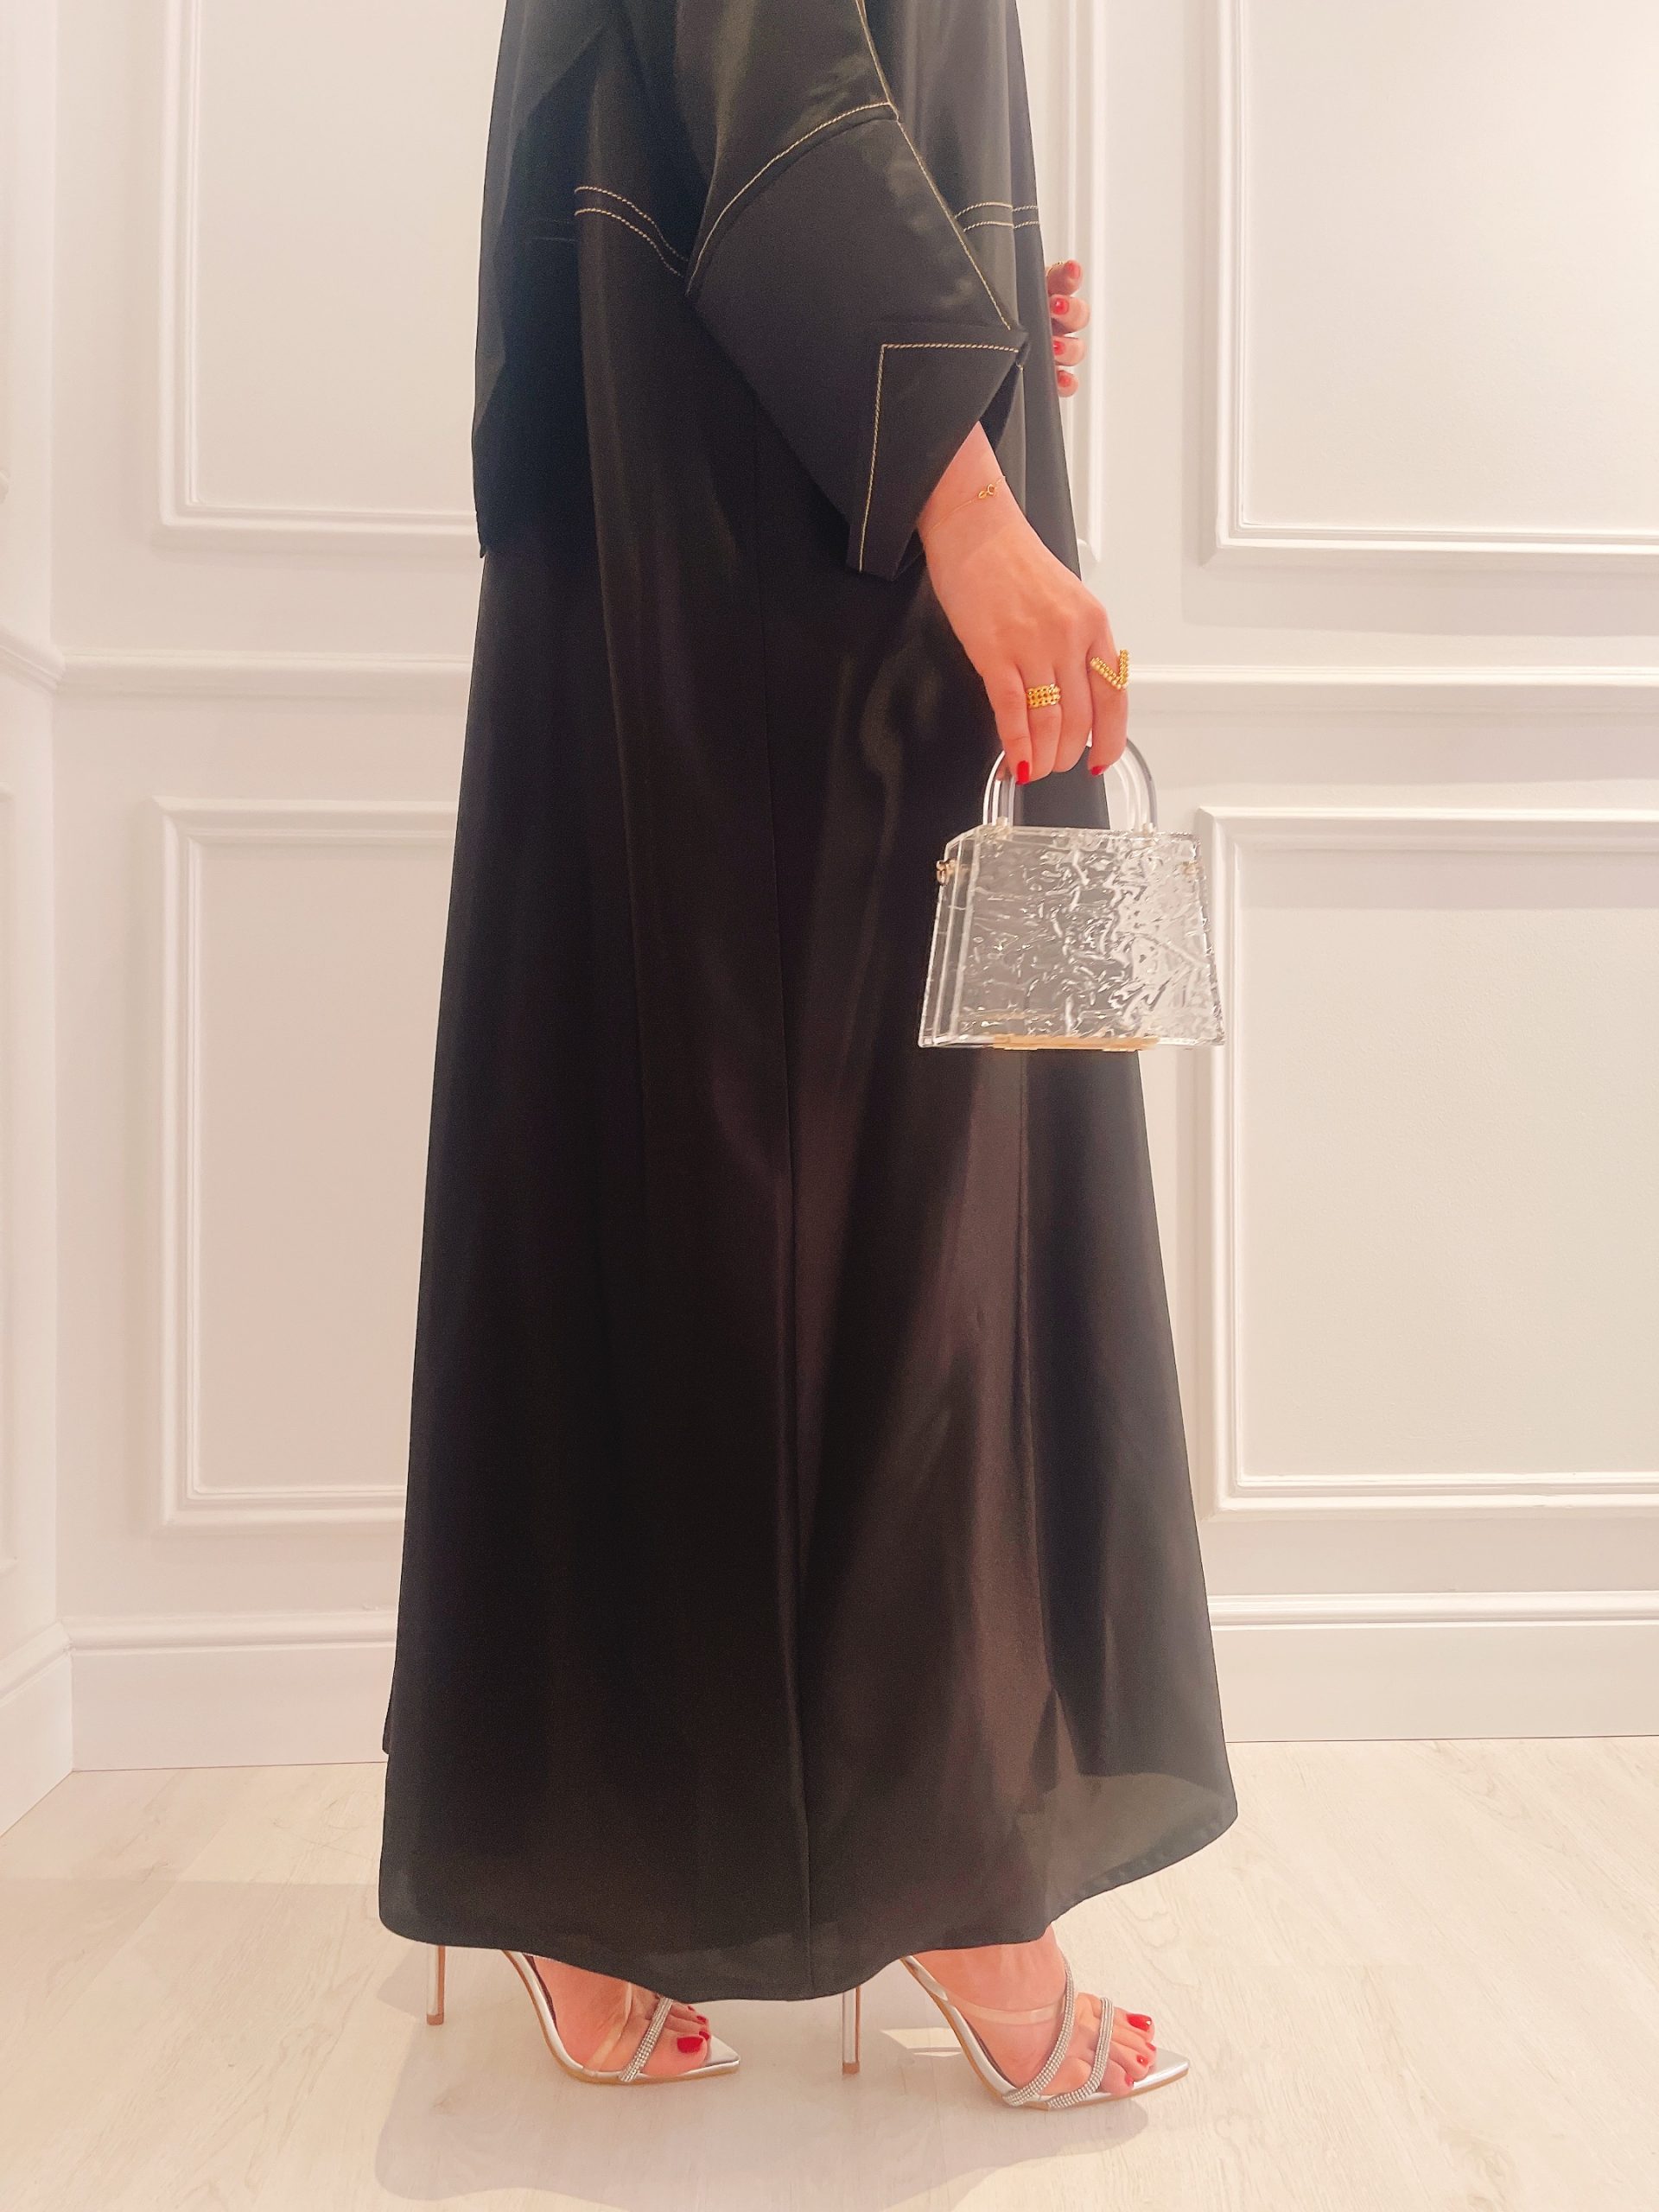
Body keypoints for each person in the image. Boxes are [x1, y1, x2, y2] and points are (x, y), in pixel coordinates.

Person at [378, 0, 1237, 2109]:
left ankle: (609, 1857)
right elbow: (767, 80)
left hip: (736, 492)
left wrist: (970, 295)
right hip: (779, 542)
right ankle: (920, 1863)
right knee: (856, 1182)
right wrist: (965, 483)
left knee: (706, 1146)